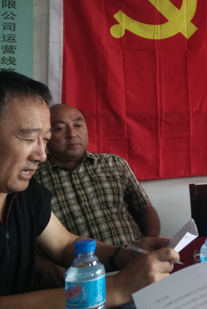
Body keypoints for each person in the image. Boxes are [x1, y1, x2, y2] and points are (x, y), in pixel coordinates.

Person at [0, 71, 179, 307]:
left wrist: (125, 255)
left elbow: (64, 244)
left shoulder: (25, 193)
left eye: (45, 140)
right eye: (29, 138)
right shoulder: (36, 178)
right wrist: (117, 287)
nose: (41, 155)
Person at [35, 103, 160, 246]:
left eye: (78, 125)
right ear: (45, 135)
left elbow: (144, 209)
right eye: (60, 128)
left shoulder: (114, 163)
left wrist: (151, 241)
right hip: (79, 259)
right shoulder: (34, 179)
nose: (72, 134)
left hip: (134, 252)